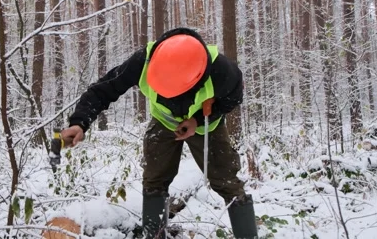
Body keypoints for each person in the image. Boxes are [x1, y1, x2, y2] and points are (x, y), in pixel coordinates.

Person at [60, 28, 258, 239]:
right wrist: (80, 122)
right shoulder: (141, 62)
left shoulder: (222, 70)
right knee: (155, 180)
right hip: (164, 122)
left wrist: (197, 120)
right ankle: (154, 235)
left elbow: (233, 98)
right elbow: (103, 90)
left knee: (226, 180)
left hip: (206, 125)